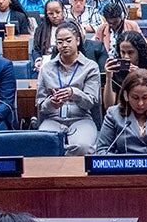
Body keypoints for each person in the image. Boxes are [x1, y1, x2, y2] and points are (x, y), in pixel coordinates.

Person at [32, 21, 100, 155]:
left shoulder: (90, 67)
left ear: (78, 41)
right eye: (59, 42)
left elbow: (92, 102)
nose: (64, 45)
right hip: (53, 119)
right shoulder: (46, 69)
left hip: (81, 118)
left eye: (68, 40)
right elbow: (40, 105)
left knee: (83, 147)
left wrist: (74, 93)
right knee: (44, 145)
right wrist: (51, 102)